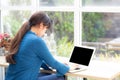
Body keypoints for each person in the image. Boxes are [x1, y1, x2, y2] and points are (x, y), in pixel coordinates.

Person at [5, 11, 71, 80]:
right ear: (41, 25)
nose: (44, 32)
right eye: (46, 29)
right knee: (60, 77)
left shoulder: (23, 36)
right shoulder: (36, 40)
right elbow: (53, 63)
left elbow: (36, 59)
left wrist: (49, 68)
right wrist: (69, 68)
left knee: (48, 73)